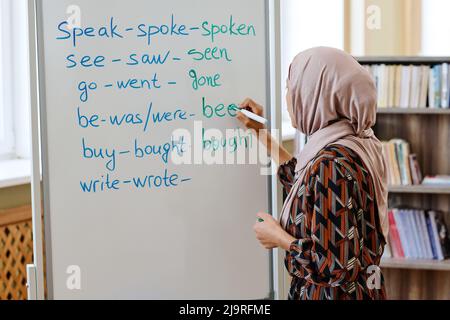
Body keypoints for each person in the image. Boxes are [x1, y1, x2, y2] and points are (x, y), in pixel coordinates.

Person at [236, 47, 388, 300]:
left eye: (290, 88)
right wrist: (261, 133)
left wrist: (279, 238)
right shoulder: (355, 141)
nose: (287, 98)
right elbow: (308, 186)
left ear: (315, 94)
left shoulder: (331, 163)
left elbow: (336, 267)